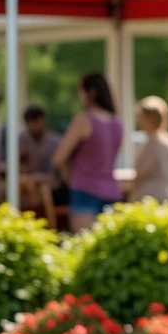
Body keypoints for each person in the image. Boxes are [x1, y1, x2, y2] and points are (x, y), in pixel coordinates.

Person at [52, 71, 123, 232]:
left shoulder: (83, 120)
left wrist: (68, 175)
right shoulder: (117, 123)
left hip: (85, 192)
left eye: (81, 92)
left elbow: (58, 157)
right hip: (112, 191)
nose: (79, 97)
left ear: (91, 93)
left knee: (84, 247)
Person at [0, 103, 64, 206]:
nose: (36, 125)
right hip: (26, 182)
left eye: (38, 121)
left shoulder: (55, 141)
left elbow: (58, 173)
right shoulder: (21, 140)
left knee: (39, 189)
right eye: (33, 122)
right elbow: (18, 166)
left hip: (49, 182)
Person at [131, 95, 168, 203]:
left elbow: (141, 172)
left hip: (149, 197)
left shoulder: (154, 142)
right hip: (166, 194)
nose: (137, 119)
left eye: (140, 115)